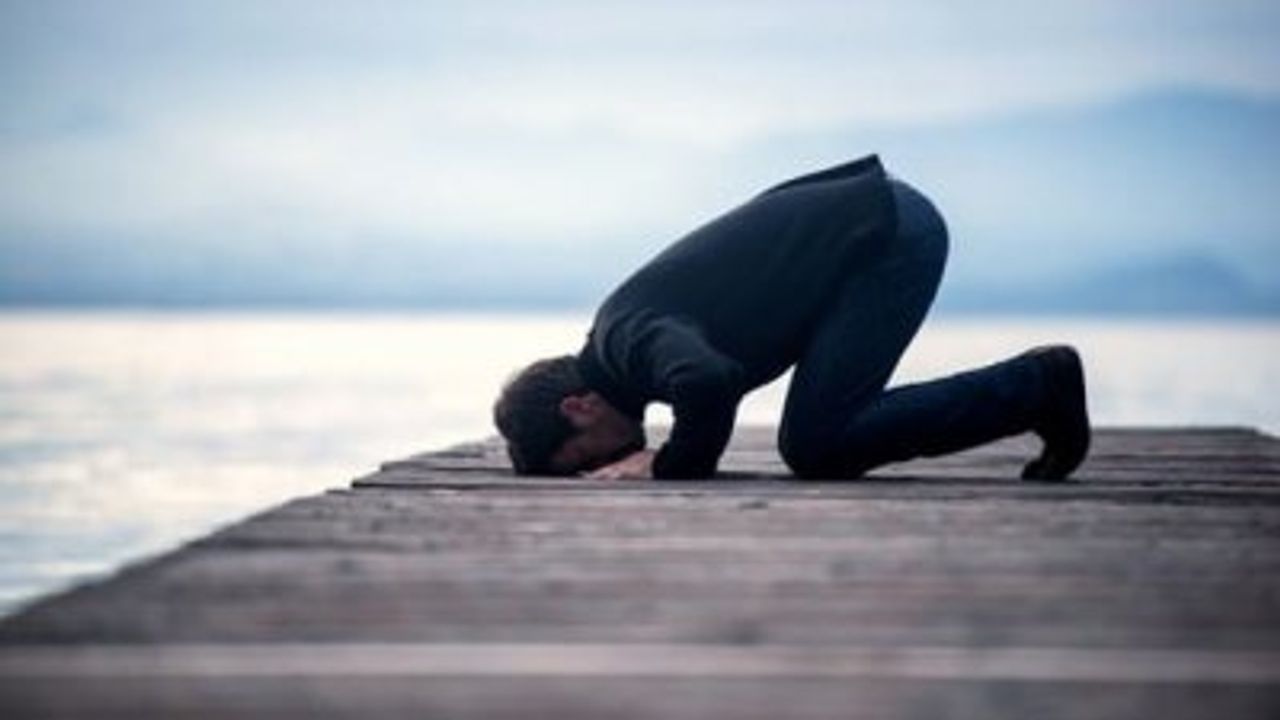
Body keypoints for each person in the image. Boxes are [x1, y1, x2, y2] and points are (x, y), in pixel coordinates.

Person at [493, 154, 1089, 481]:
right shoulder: (623, 344)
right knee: (816, 440)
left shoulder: (624, 338)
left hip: (884, 233)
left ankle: (1040, 386)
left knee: (817, 443)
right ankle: (1037, 388)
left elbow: (708, 379)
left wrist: (670, 465)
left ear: (578, 408)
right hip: (871, 226)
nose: (605, 467)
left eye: (588, 459)